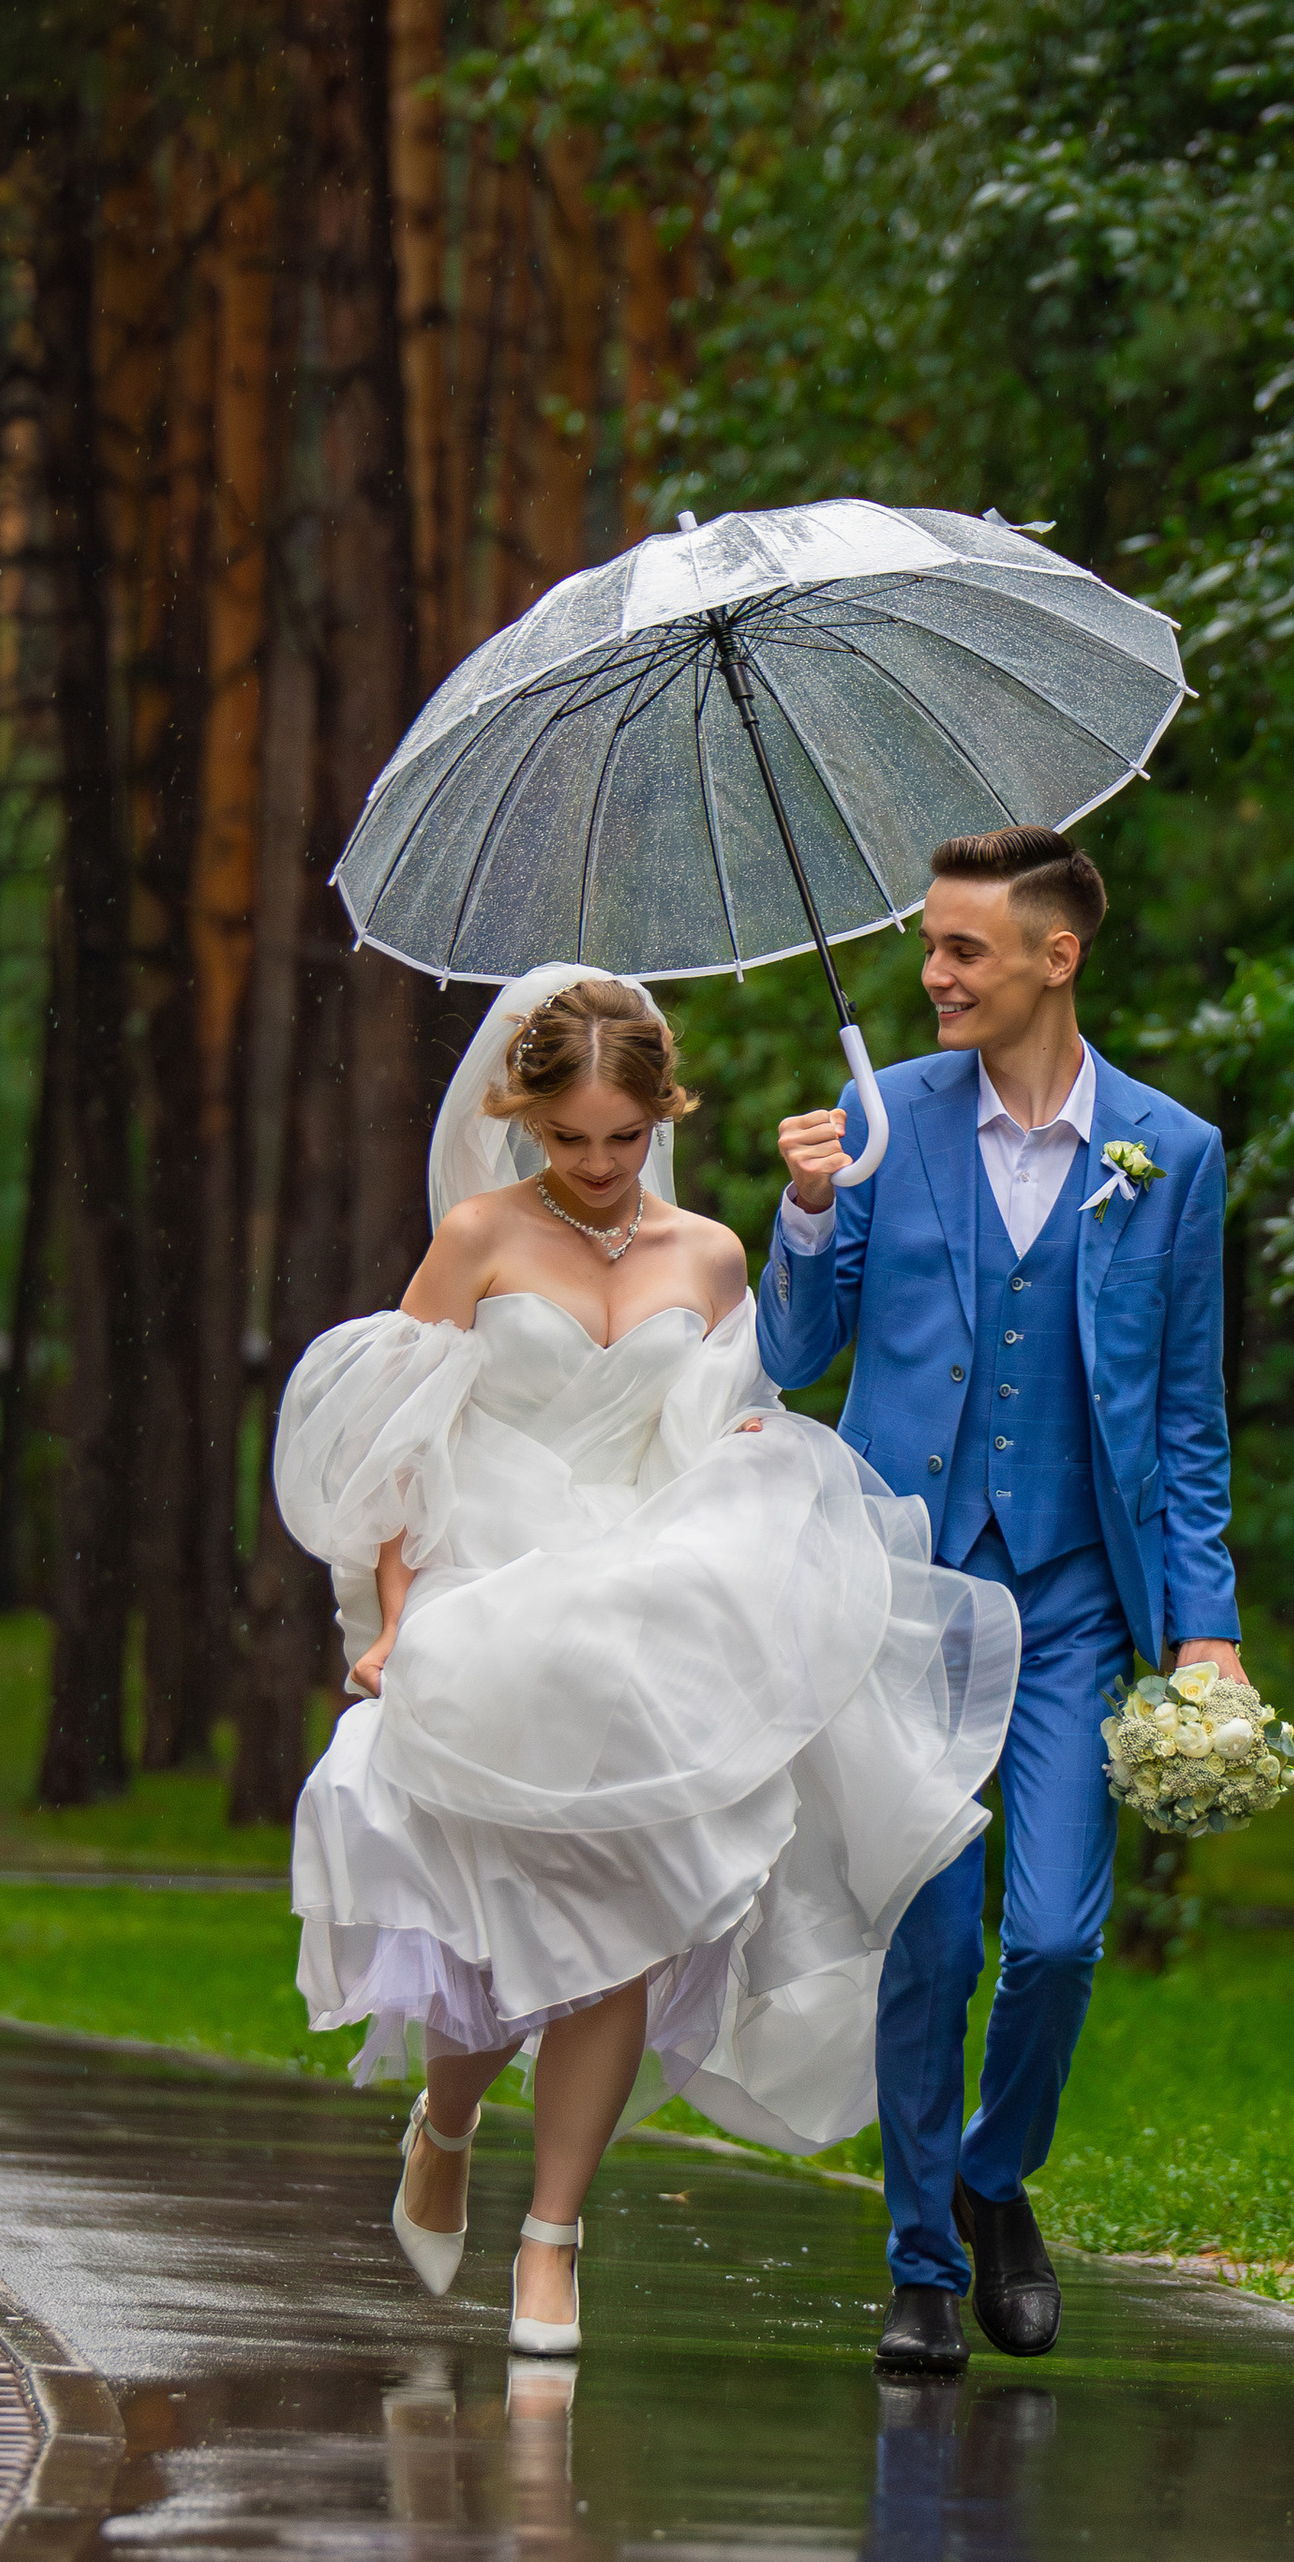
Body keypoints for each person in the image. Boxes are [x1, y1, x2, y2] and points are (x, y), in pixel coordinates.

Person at [272, 967, 1019, 2359]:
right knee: (488, 1926)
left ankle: (552, 2239)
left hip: (644, 1605)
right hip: (489, 1588)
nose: (602, 1168)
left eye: (625, 1137)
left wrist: (738, 1450)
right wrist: (390, 1620)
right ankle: (445, 2121)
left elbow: (720, 1416)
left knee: (628, 1914)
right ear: (526, 1120)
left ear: (665, 1115)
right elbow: (400, 1445)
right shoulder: (479, 1240)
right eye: (571, 1141)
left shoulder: (712, 1254)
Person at [763, 825, 1247, 2377]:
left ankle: (988, 2174)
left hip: (1073, 1596)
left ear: (1059, 955)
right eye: (928, 945)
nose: (933, 973)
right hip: (906, 1583)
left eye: (966, 949)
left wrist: (1206, 1628)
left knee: (1050, 1937)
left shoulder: (1168, 1153)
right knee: (926, 1944)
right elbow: (788, 1354)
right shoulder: (879, 1116)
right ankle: (916, 2264)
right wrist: (814, 1215)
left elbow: (1186, 1416)